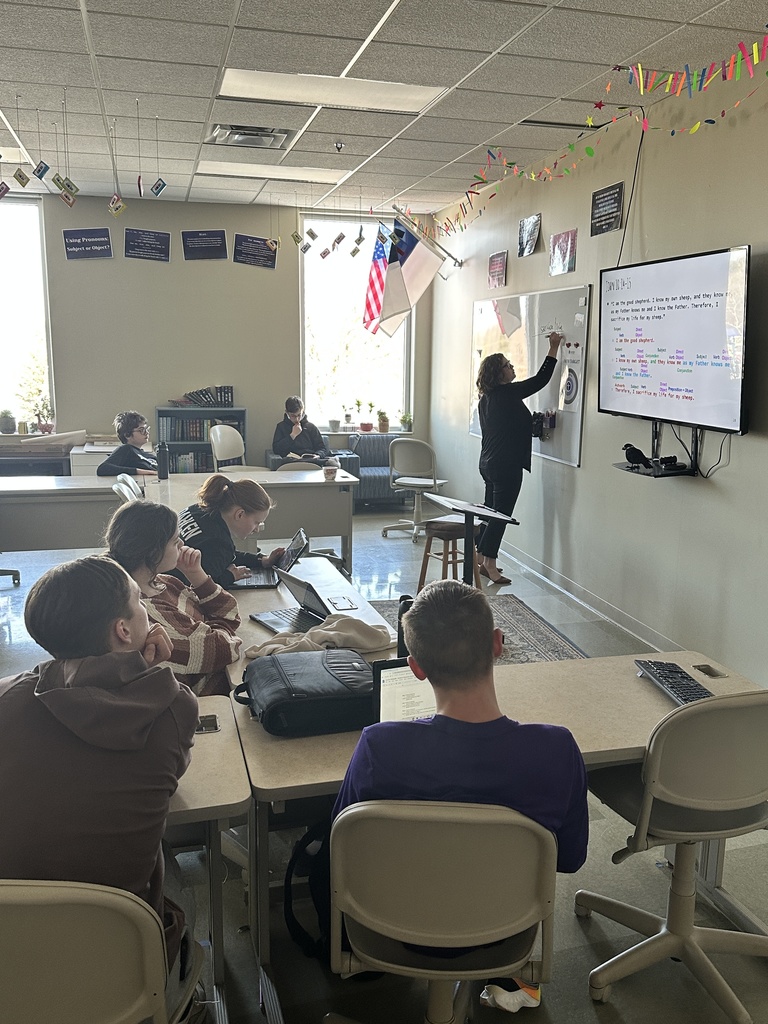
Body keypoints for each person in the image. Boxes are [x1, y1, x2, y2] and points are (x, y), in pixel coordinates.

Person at [333, 579, 588, 1013]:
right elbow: (569, 858)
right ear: (498, 644)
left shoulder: (380, 746)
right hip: (502, 931)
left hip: (389, 925)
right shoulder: (556, 749)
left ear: (415, 667)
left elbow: (343, 853)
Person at [0, 556, 199, 1009]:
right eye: (138, 599)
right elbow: (175, 770)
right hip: (120, 963)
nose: (147, 603)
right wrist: (153, 678)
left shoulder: (8, 697)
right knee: (180, 888)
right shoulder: (172, 707)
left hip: (9, 965)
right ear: (124, 631)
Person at [105, 501, 242, 696]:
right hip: (208, 700)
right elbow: (225, 649)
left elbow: (229, 613)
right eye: (175, 540)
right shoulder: (145, 613)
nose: (182, 545)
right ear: (153, 551)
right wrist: (217, 626)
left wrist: (197, 575)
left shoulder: (164, 582)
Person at [475, 333, 563, 584]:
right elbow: (540, 380)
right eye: (507, 365)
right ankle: (490, 564)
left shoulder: (486, 399)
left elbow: (508, 426)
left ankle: (481, 558)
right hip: (505, 466)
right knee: (501, 516)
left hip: (488, 463)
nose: (512, 367)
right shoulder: (507, 394)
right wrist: (553, 348)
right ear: (498, 373)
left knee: (490, 513)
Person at [175, 474, 285, 589]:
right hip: (175, 590)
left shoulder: (197, 509)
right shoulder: (218, 542)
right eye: (256, 522)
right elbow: (204, 587)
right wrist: (230, 576)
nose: (257, 529)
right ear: (240, 514)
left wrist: (262, 560)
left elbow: (223, 556)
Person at [272, 396, 335, 465]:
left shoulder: (311, 427)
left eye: (299, 415)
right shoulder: (281, 427)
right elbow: (276, 449)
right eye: (293, 416)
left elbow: (322, 448)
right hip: (291, 461)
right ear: (287, 413)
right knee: (286, 461)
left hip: (310, 459)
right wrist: (292, 435)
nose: (297, 419)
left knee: (329, 461)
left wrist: (318, 455)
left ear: (303, 411)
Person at [96, 409, 158, 476]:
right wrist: (143, 472)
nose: (147, 433)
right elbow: (103, 469)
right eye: (141, 430)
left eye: (146, 429)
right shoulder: (126, 449)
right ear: (127, 435)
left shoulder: (144, 454)